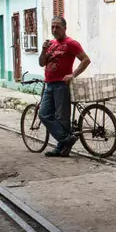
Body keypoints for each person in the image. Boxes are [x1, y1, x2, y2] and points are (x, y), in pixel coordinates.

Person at [38, 16, 91, 157]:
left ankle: (60, 148)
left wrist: (73, 75)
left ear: (64, 28)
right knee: (44, 114)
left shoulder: (71, 43)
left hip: (62, 85)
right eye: (52, 27)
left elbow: (86, 60)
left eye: (58, 27)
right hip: (49, 84)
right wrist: (44, 50)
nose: (54, 30)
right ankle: (67, 139)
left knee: (62, 118)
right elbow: (42, 63)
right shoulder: (51, 44)